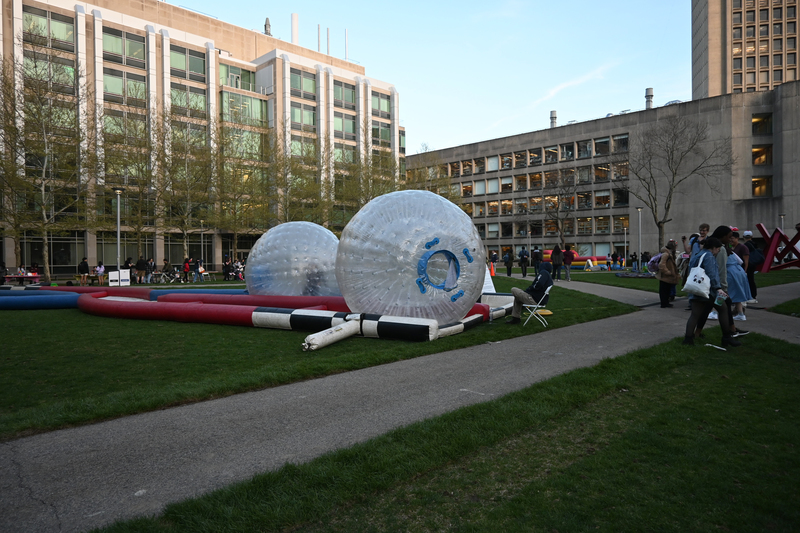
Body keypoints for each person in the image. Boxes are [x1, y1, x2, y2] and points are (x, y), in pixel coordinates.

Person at [683, 237, 740, 347]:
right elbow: (712, 274)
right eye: (718, 249)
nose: (718, 251)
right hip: (709, 291)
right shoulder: (709, 256)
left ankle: (688, 339)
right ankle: (727, 337)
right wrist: (718, 288)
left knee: (695, 315)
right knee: (723, 309)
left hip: (696, 289)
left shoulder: (698, 255)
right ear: (713, 248)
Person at [728, 232, 752, 320]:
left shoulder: (742, 247)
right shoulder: (730, 248)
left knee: (736, 291)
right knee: (737, 292)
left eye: (732, 238)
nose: (731, 240)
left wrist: (745, 271)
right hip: (736, 271)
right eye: (730, 238)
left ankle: (715, 311)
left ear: (737, 238)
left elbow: (745, 261)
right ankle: (740, 312)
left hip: (738, 271)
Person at [655, 241, 679, 308]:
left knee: (667, 289)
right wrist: (668, 272)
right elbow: (661, 265)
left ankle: (666, 302)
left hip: (667, 276)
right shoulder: (666, 254)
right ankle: (664, 303)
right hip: (665, 276)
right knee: (664, 290)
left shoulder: (669, 253)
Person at [742, 230, 760, 303]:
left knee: (748, 280)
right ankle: (753, 295)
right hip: (753, 264)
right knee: (751, 280)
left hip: (748, 264)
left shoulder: (745, 245)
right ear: (751, 236)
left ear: (743, 237)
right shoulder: (754, 244)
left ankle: (751, 295)